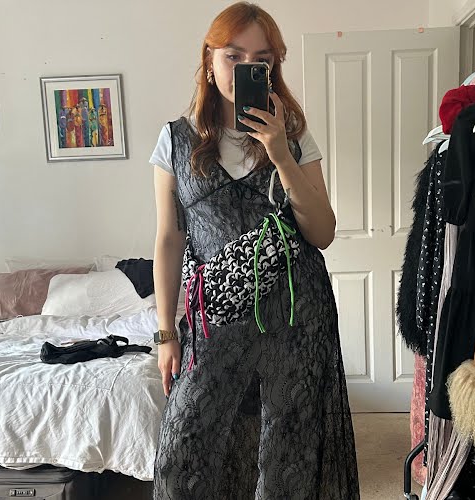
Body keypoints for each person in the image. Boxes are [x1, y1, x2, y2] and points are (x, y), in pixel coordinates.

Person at [150, 2, 360, 498]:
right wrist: (165, 334)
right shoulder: (176, 139)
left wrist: (281, 153)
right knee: (182, 458)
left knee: (287, 458)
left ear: (273, 67)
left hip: (296, 320)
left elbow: (322, 232)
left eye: (261, 60)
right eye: (233, 56)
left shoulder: (293, 134)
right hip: (215, 324)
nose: (247, 68)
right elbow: (169, 239)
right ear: (209, 60)